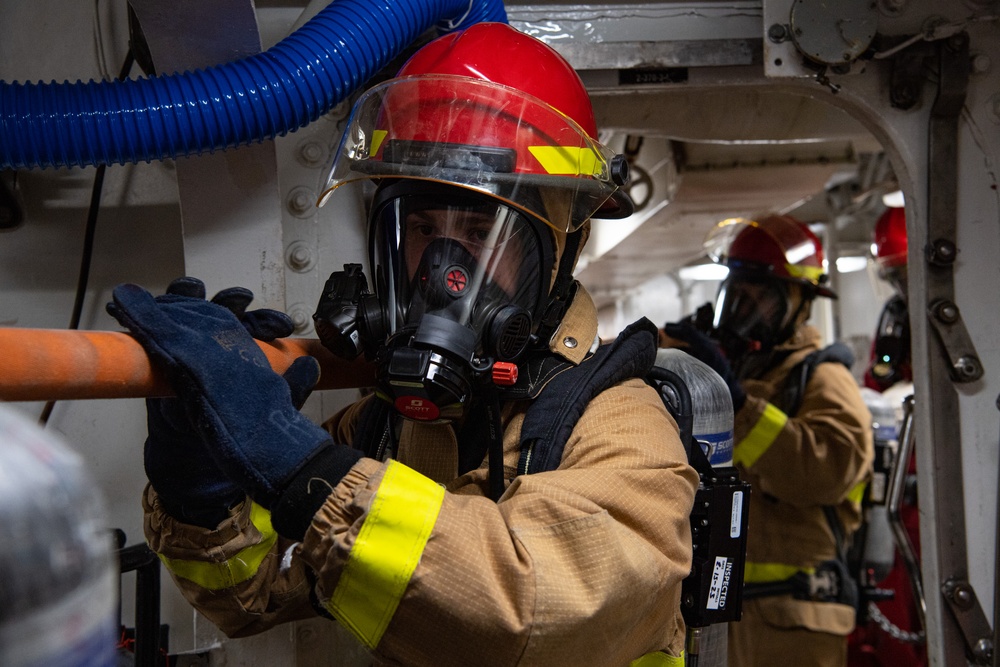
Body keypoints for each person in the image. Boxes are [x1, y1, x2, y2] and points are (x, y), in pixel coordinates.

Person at [105, 23, 699, 667]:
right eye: (421, 227)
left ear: (559, 252)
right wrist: (201, 484)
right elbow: (251, 596)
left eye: (479, 232)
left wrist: (304, 469)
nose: (444, 270)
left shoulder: (621, 425)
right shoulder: (384, 426)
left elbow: (530, 615)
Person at [661, 215, 874, 667]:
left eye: (760, 297)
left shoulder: (821, 376)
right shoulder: (735, 372)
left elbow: (826, 471)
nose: (743, 309)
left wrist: (737, 406)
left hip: (791, 624)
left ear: (799, 303)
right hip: (721, 610)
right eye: (736, 292)